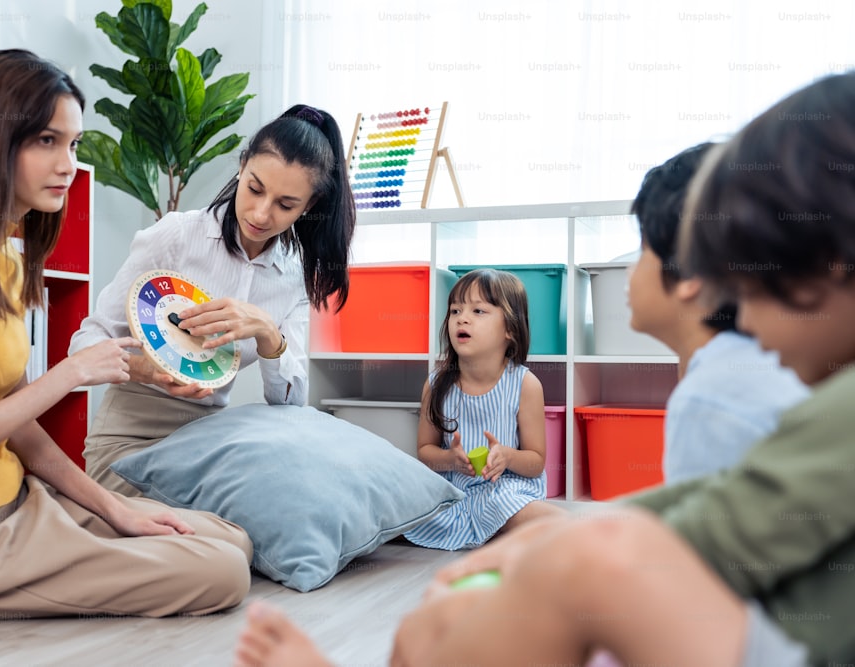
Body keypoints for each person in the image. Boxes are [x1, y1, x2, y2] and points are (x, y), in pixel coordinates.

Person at [233, 71, 855, 667]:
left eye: (760, 271)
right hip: (475, 501)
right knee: (547, 564)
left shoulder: (723, 390)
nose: (742, 303)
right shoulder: (441, 382)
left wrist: (567, 553)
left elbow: (714, 540)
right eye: (455, 309)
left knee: (565, 567)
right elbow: (725, 511)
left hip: (745, 625)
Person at [0, 49, 252, 620]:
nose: (67, 163)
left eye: (72, 144)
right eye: (47, 140)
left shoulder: (1, 255)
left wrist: (117, 511)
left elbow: (20, 426)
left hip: (8, 498)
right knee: (222, 571)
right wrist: (71, 373)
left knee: (228, 539)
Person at [69, 104, 356, 496]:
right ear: (242, 166)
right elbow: (86, 340)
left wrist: (267, 332)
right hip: (130, 434)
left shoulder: (291, 277)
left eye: (286, 205)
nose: (260, 212)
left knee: (245, 535)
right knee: (188, 545)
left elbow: (289, 402)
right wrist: (147, 371)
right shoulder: (177, 236)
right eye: (254, 188)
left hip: (208, 442)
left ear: (309, 208)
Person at [628, 142, 809, 483]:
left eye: (642, 251)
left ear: (688, 273)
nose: (629, 274)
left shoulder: (709, 399)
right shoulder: (767, 366)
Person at [402, 268, 553, 550]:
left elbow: (535, 463)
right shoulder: (436, 383)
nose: (463, 318)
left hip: (503, 490)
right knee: (395, 509)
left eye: (478, 311)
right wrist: (450, 460)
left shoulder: (525, 385)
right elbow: (424, 452)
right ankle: (488, 532)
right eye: (455, 310)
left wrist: (507, 457)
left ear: (510, 328)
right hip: (450, 491)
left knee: (539, 518)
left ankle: (592, 540)